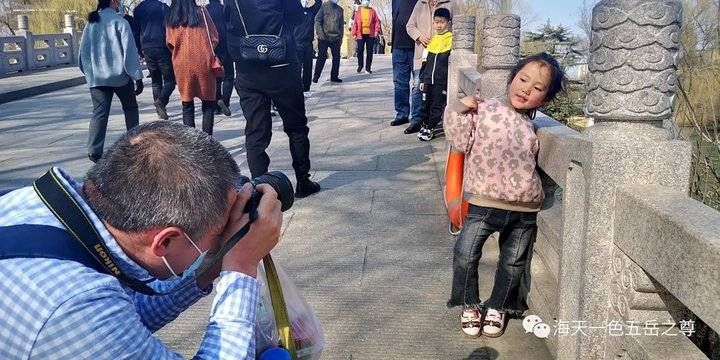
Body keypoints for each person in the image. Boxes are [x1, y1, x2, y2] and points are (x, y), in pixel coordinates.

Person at [0, 121, 283, 358]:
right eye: (219, 234)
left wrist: (211, 266)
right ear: (164, 242)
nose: (225, 237)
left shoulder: (37, 206)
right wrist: (241, 265)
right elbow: (100, 323)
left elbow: (129, 318)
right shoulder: (74, 306)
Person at [444, 53, 565, 338]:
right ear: (512, 78)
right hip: (483, 203)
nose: (526, 89)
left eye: (537, 88)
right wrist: (459, 108)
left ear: (544, 100)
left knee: (512, 262)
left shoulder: (532, 127)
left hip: (524, 208)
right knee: (465, 253)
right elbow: (459, 139)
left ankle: (498, 305)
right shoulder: (485, 109)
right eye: (523, 79)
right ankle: (469, 303)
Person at [226, 0, 322, 198]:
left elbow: (229, 24)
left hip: (248, 66)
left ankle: (260, 188)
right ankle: (303, 181)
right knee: (296, 127)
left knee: (255, 132)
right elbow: (296, 18)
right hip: (281, 65)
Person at [78, 0, 143, 163]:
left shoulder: (90, 23)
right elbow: (130, 53)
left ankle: (94, 150)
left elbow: (82, 54)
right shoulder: (120, 22)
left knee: (99, 113)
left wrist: (90, 74)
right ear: (113, 1)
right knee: (130, 108)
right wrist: (137, 77)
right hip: (120, 77)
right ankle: (134, 143)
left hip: (97, 79)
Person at [166, 0, 219, 135]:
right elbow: (214, 37)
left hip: (182, 64)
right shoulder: (201, 12)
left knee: (187, 104)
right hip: (204, 62)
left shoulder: (171, 16)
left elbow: (169, 43)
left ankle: (192, 143)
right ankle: (207, 141)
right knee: (208, 103)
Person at [404, 0, 456, 134]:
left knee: (438, 95)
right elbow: (410, 26)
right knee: (418, 87)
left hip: (442, 59)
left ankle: (435, 122)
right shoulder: (420, 4)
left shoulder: (451, 3)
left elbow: (460, 25)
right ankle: (416, 121)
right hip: (423, 56)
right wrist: (419, 36)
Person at [134, 0, 175, 120]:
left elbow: (136, 32)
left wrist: (139, 49)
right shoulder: (163, 7)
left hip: (146, 47)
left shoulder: (138, 9)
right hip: (162, 46)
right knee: (170, 80)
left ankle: (159, 110)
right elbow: (170, 28)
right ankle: (161, 101)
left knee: (155, 81)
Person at [416, 8, 452, 141]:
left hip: (440, 82)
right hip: (427, 81)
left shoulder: (451, 40)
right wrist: (421, 79)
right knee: (425, 104)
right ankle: (425, 125)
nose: (439, 25)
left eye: (442, 22)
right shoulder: (431, 41)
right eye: (436, 22)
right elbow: (424, 63)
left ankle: (430, 128)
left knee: (436, 106)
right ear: (433, 23)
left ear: (448, 22)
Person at [389, 0, 418, 128]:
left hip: (417, 46)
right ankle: (402, 114)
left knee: (418, 83)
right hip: (398, 45)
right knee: (399, 83)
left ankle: (417, 117)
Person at [207, 0, 234, 116]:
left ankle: (216, 106)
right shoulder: (224, 9)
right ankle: (225, 100)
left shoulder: (205, 10)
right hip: (226, 46)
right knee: (229, 76)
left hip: (213, 47)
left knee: (216, 77)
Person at [312, 0, 345, 84]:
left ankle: (334, 76)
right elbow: (317, 20)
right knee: (322, 56)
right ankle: (316, 76)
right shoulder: (324, 6)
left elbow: (341, 26)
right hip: (324, 37)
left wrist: (340, 38)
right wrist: (320, 33)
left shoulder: (340, 10)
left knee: (336, 58)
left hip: (336, 37)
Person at [293, 0, 322, 92]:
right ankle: (296, 87)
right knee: (297, 67)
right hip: (296, 44)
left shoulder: (311, 12)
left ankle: (306, 87)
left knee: (308, 67)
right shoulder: (293, 13)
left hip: (308, 44)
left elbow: (319, 3)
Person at [351, 0, 381, 74]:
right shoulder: (358, 11)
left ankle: (368, 68)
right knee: (360, 50)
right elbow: (355, 23)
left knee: (370, 51)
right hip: (360, 34)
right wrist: (354, 33)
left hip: (370, 34)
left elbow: (377, 21)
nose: (366, 2)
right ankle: (360, 65)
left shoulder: (372, 11)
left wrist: (376, 31)